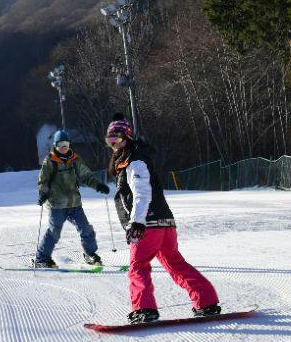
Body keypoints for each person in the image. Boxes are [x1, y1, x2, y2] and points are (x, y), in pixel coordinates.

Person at [104, 116, 221, 324]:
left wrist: (137, 222)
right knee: (175, 263)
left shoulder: (135, 161)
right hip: (165, 222)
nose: (114, 144)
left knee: (138, 265)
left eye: (118, 139)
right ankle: (206, 301)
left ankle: (144, 309)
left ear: (127, 137)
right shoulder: (131, 159)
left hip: (147, 224)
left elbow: (141, 193)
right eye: (110, 140)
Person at [33, 129, 110, 268]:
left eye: (66, 145)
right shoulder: (50, 161)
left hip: (74, 203)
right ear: (55, 146)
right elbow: (43, 180)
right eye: (61, 145)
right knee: (54, 232)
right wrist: (43, 193)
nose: (64, 148)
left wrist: (98, 185)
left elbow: (86, 176)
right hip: (57, 205)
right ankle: (42, 258)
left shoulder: (75, 159)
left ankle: (90, 254)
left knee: (86, 229)